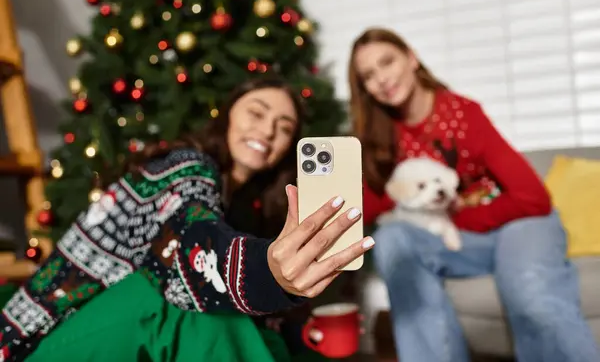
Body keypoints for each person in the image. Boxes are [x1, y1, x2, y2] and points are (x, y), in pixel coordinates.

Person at [0, 77, 374, 361]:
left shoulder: (245, 206)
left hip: (118, 337)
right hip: (47, 341)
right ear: (228, 117)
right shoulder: (186, 167)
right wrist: (265, 272)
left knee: (268, 335)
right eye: (256, 113)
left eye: (284, 127)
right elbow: (187, 239)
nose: (267, 131)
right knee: (191, 308)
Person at [348, 27, 599, 362]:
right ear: (364, 88)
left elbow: (532, 198)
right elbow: (375, 206)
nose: (381, 78)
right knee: (392, 238)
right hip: (459, 240)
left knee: (531, 294)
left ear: (411, 57)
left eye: (387, 62)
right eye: (368, 75)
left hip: (518, 223)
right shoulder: (381, 139)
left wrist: (460, 218)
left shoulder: (463, 114)